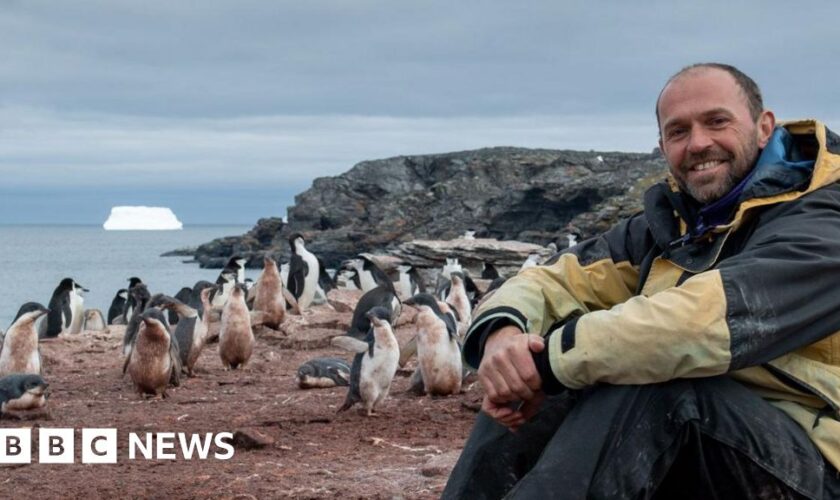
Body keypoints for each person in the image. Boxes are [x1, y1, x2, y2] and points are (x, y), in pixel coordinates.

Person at [443, 63, 840, 499]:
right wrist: (504, 336)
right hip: (723, 445)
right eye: (678, 131)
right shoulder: (672, 224)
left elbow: (700, 323)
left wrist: (543, 365)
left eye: (717, 121)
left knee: (653, 388)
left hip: (817, 460)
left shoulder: (823, 217)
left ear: (764, 127)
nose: (699, 143)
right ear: (662, 146)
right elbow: (555, 278)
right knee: (536, 393)